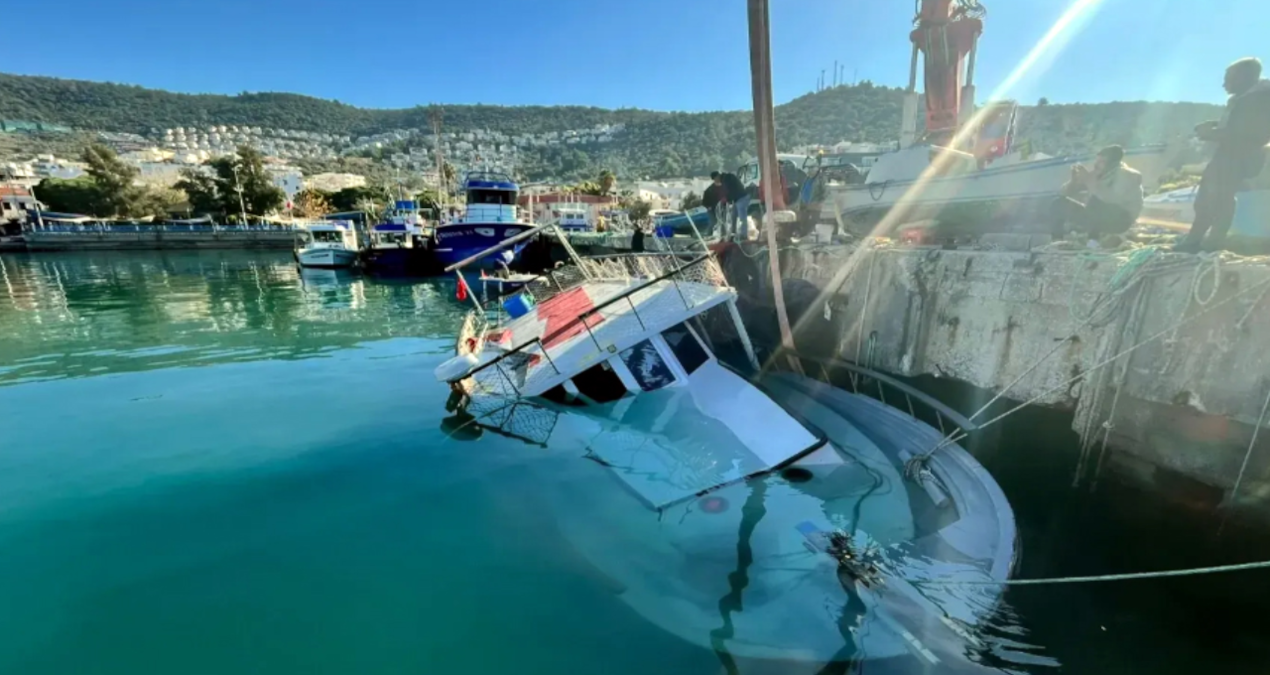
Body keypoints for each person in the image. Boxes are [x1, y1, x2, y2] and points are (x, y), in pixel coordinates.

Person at [1176, 57, 1270, 253]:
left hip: (1239, 156)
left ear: (1245, 77)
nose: (1224, 84)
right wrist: (1213, 126)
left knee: (1219, 198)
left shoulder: (1259, 99)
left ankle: (1207, 242)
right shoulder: (1243, 99)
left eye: (1229, 78)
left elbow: (1251, 134)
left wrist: (1211, 134)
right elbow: (1238, 127)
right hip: (1230, 155)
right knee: (1210, 198)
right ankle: (1200, 240)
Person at [1053, 145, 1143, 237]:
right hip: (1101, 217)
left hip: (1121, 220)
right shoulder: (1098, 174)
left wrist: (1088, 181)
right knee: (1059, 203)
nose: (1096, 164)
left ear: (1113, 163)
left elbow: (1111, 199)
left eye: (1102, 162)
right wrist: (1074, 182)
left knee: (1095, 202)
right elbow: (1064, 193)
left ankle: (1093, 241)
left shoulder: (1127, 175)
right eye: (1097, 161)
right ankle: (1057, 241)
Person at [719, 170, 749, 241]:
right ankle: (733, 233)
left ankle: (744, 235)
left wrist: (727, 199)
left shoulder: (726, 180)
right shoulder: (729, 178)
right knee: (733, 216)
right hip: (737, 199)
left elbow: (731, 191)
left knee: (742, 218)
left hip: (741, 198)